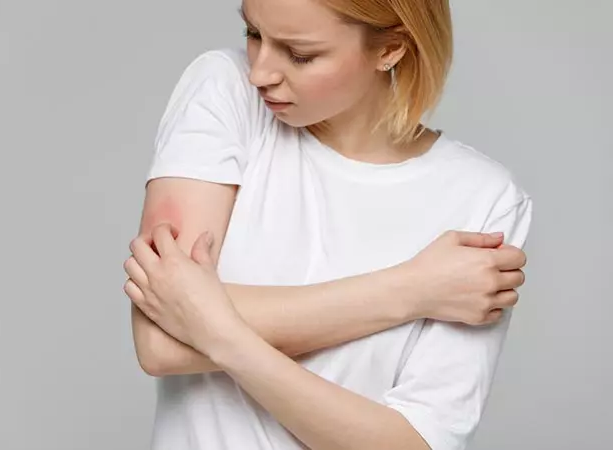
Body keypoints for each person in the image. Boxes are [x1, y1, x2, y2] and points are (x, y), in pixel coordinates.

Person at [123, 0, 533, 449]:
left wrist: (220, 335)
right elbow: (159, 342)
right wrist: (410, 291)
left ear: (390, 50)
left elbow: (413, 442)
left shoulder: (482, 198)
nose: (260, 72)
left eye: (300, 55)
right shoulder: (224, 90)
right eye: (253, 34)